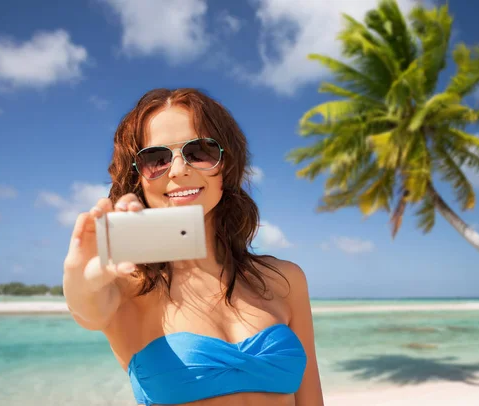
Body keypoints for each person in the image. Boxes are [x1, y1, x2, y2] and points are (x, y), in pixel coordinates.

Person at [62, 88, 324, 406]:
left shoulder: (284, 279)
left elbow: (311, 399)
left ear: (225, 166)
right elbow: (86, 308)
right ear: (138, 178)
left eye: (199, 151)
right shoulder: (125, 287)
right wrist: (80, 278)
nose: (177, 169)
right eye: (156, 159)